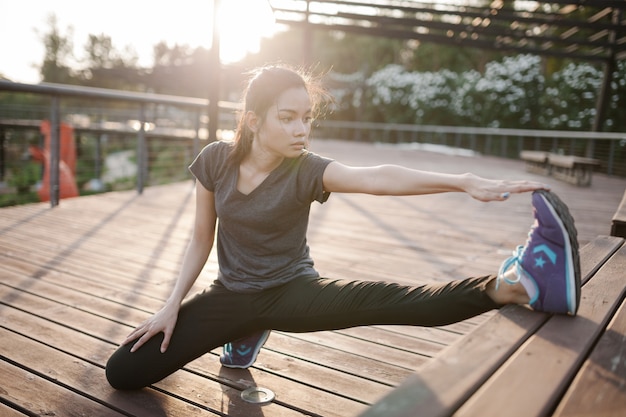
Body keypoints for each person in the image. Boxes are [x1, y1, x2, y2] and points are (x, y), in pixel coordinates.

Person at [105, 65, 580, 390]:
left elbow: (377, 179)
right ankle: (247, 329)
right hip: (229, 296)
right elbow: (199, 239)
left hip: (292, 290)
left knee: (397, 300)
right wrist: (171, 307)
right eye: (287, 118)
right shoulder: (214, 161)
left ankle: (518, 283)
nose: (301, 129)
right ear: (253, 121)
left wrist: (462, 181)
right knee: (123, 371)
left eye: (305, 118)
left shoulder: (307, 170)